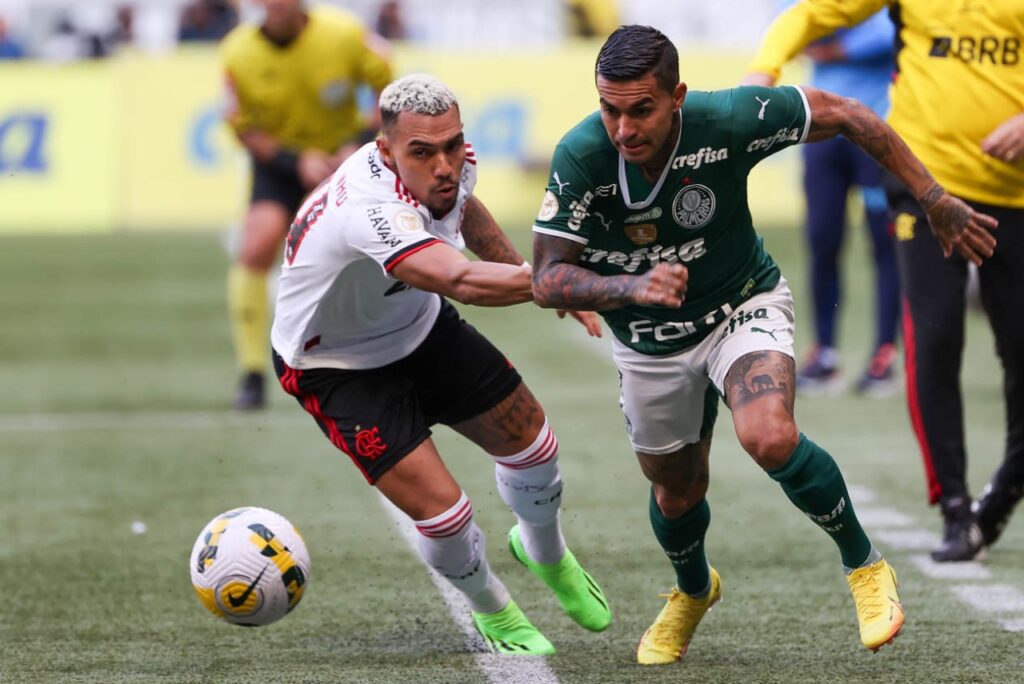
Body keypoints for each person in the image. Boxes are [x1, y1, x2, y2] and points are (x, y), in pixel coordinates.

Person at [531, 25, 995, 664]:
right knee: (676, 489)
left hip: (740, 304)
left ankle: (865, 566)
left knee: (768, 435)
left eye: (641, 109)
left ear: (678, 98)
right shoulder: (581, 156)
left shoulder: (727, 119)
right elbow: (548, 277)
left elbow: (852, 116)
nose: (623, 127)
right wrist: (630, 286)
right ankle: (694, 591)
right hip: (650, 339)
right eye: (610, 108)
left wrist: (935, 197)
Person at [270, 74, 611, 655]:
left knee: (534, 445)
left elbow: (464, 213)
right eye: (422, 152)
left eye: (452, 144)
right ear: (386, 151)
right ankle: (492, 609)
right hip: (333, 362)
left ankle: (545, 552)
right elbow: (460, 280)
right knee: (448, 516)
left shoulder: (454, 164)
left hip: (416, 325)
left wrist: (530, 271)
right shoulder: (367, 208)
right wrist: (557, 282)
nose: (445, 164)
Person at [744, 0, 1023, 562]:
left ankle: (1003, 493)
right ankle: (955, 508)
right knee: (935, 339)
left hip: (1015, 197)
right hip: (925, 185)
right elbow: (809, 16)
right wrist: (762, 74)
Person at [222, 0, 393, 409]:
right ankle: (251, 372)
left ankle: (382, 353)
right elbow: (242, 128)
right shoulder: (236, 52)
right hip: (282, 165)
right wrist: (294, 161)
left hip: (345, 160)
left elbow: (387, 90)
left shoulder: (344, 33)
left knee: (370, 255)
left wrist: (357, 142)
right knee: (257, 244)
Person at [774, 3, 900, 396]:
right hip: (820, 132)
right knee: (822, 240)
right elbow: (789, 25)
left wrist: (832, 45)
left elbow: (891, 34)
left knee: (885, 243)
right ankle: (825, 354)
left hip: (877, 128)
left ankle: (885, 353)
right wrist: (833, 37)